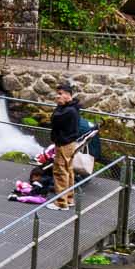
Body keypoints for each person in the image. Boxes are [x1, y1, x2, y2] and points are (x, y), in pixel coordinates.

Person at [49, 82, 85, 210]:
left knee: (60, 172)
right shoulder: (72, 107)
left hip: (64, 143)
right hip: (70, 143)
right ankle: (69, 199)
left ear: (68, 95)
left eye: (60, 94)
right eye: (57, 94)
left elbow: (54, 119)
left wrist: (59, 105)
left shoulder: (67, 110)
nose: (57, 96)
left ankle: (61, 203)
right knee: (68, 170)